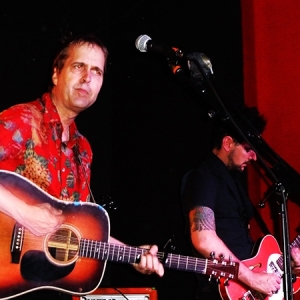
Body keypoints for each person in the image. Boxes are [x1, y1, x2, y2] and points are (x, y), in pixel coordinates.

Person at [0, 34, 164, 300]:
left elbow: (81, 227)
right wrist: (25, 213)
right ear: (56, 74)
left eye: (97, 71)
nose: (88, 77)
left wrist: (133, 254)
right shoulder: (22, 120)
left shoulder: (83, 150)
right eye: (79, 66)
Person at [181, 106, 300, 299]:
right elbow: (203, 239)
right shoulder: (203, 177)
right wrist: (252, 278)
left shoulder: (232, 182)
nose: (253, 157)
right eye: (247, 149)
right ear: (227, 142)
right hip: (220, 291)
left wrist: (289, 268)